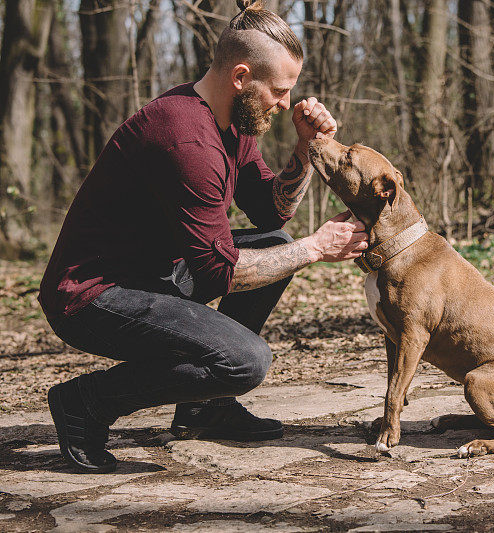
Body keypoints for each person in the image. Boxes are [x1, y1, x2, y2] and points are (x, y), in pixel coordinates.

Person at [37, 0, 368, 473]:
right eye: (279, 90)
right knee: (244, 362)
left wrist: (307, 147)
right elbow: (219, 274)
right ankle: (86, 402)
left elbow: (270, 211)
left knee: (275, 245)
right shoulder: (188, 140)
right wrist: (316, 247)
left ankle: (203, 407)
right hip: (92, 295)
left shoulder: (230, 121)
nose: (284, 102)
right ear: (240, 77)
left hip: (153, 275)